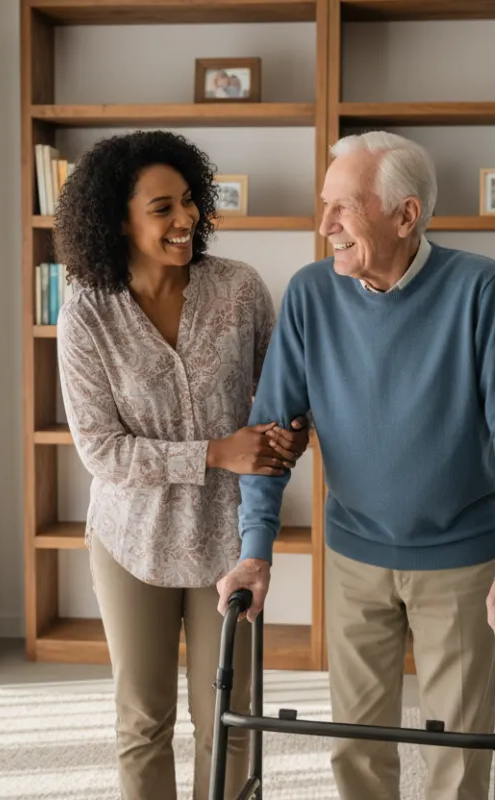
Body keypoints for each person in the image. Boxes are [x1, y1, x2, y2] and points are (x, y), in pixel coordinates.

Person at [216, 131, 495, 800]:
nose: (325, 226)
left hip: (461, 562)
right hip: (353, 560)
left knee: (459, 752)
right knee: (357, 749)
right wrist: (255, 552)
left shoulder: (476, 287)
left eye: (344, 207)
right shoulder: (312, 295)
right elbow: (273, 437)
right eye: (323, 205)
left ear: (406, 215)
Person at [54, 130, 310, 800]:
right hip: (129, 541)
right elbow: (100, 450)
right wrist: (218, 452)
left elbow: (282, 398)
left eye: (190, 202)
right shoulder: (87, 309)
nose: (186, 219)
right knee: (143, 720)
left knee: (231, 718)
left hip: (230, 539)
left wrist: (289, 436)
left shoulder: (240, 289)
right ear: (118, 220)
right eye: (162, 208)